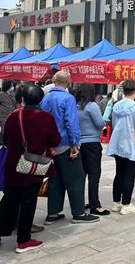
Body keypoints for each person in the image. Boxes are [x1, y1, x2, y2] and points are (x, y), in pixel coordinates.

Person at [0, 84, 61, 253]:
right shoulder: (46, 117)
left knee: (8, 200)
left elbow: (5, 139)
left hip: (13, 165)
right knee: (28, 202)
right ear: (40, 99)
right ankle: (23, 240)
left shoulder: (14, 116)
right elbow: (54, 140)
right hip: (33, 167)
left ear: (22, 98)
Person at [40, 71, 99, 224]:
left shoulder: (46, 98)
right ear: (69, 81)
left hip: (50, 145)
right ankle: (79, 213)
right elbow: (71, 122)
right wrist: (75, 144)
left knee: (55, 179)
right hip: (65, 143)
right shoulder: (68, 98)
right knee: (76, 178)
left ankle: (53, 213)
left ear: (54, 80)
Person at [106, 80, 135, 214]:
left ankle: (116, 202)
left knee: (119, 173)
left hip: (118, 143)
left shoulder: (116, 105)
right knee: (129, 175)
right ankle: (126, 204)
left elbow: (113, 123)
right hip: (131, 143)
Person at [76, 84, 109, 216]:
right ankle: (95, 205)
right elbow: (100, 124)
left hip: (79, 144)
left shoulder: (75, 106)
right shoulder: (91, 106)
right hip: (92, 144)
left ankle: (79, 204)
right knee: (94, 175)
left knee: (81, 175)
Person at [0, 80, 17, 145]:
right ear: (8, 86)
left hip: (10, 114)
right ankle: (7, 143)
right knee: (5, 129)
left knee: (5, 128)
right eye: (11, 85)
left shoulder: (12, 94)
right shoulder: (1, 94)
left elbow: (15, 103)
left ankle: (0, 141)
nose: (13, 87)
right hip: (2, 115)